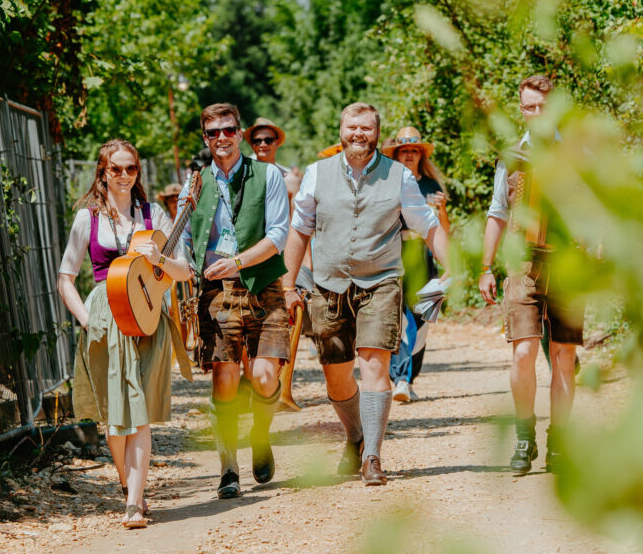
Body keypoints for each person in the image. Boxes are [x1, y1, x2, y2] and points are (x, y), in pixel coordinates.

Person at [282, 102, 450, 486]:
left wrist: (455, 268)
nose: (359, 134)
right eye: (352, 127)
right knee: (336, 377)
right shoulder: (316, 174)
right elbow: (299, 230)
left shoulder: (399, 176)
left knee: (375, 366)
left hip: (381, 281)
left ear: (377, 133)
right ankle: (354, 437)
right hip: (328, 284)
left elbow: (427, 225)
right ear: (341, 129)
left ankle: (373, 456)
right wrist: (288, 286)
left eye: (367, 128)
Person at [57, 139, 191, 529]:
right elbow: (66, 277)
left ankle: (133, 503)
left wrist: (160, 259)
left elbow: (184, 272)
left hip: (148, 319)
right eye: (115, 169)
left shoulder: (154, 216)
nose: (123, 176)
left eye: (130, 168)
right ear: (102, 172)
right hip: (106, 316)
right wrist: (84, 318)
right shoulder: (88, 219)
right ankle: (128, 485)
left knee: (141, 412)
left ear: (138, 172)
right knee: (116, 420)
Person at [177, 103, 291, 499]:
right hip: (215, 294)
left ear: (240, 133)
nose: (221, 138)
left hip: (262, 284)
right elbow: (183, 241)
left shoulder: (268, 174)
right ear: (205, 138)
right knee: (224, 380)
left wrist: (237, 262)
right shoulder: (194, 184)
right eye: (213, 132)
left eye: (228, 130)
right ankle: (228, 469)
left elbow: (278, 234)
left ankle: (261, 433)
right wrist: (182, 266)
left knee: (263, 377)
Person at [478, 74, 583, 475]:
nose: (536, 113)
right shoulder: (511, 156)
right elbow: (497, 213)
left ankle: (560, 440)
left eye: (543, 106)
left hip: (569, 263)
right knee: (523, 351)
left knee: (564, 356)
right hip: (523, 262)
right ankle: (525, 437)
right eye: (528, 106)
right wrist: (486, 267)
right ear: (521, 109)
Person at [380, 127, 451, 402]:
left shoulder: (432, 187)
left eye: (414, 151)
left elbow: (444, 229)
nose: (409, 155)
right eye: (404, 151)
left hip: (424, 254)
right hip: (393, 252)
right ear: (397, 154)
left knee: (423, 318)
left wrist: (442, 210)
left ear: (420, 155)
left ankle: (408, 377)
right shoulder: (387, 181)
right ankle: (399, 377)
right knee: (396, 317)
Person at [245, 117, 301, 202]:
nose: (263, 145)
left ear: (277, 143)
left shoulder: (290, 181)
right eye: (257, 141)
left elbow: (294, 215)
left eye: (268, 140)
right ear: (252, 145)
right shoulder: (243, 178)